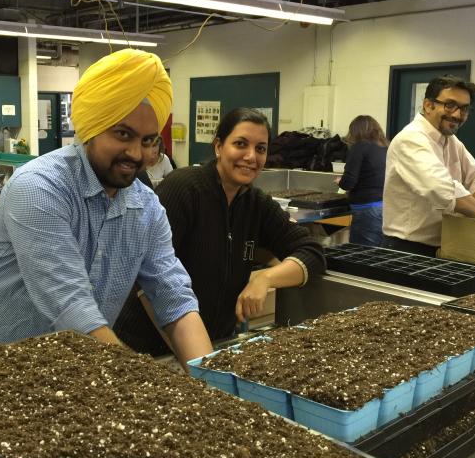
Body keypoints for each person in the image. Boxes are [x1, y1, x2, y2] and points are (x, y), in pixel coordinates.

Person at [0, 49, 213, 367]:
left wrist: (210, 380)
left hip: (65, 364)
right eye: (123, 134)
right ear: (91, 128)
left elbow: (172, 294)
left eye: (148, 141)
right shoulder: (39, 187)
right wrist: (140, 382)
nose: (136, 153)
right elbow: (71, 306)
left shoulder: (147, 209)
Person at [114, 108, 326, 356]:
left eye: (260, 148)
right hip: (149, 349)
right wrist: (194, 363)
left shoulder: (256, 204)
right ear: (218, 147)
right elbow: (147, 282)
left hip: (213, 345)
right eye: (240, 144)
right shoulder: (184, 189)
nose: (250, 156)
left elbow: (312, 252)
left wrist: (264, 278)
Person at [382, 75, 475, 257]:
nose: (457, 115)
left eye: (464, 109)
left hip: (445, 244)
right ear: (428, 105)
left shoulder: (451, 141)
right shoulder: (411, 139)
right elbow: (441, 188)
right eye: (450, 105)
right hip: (408, 249)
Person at [337, 115, 388, 246]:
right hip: (386, 208)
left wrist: (341, 181)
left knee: (363, 254)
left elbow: (348, 182)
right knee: (379, 253)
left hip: (367, 209)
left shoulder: (359, 147)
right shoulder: (385, 148)